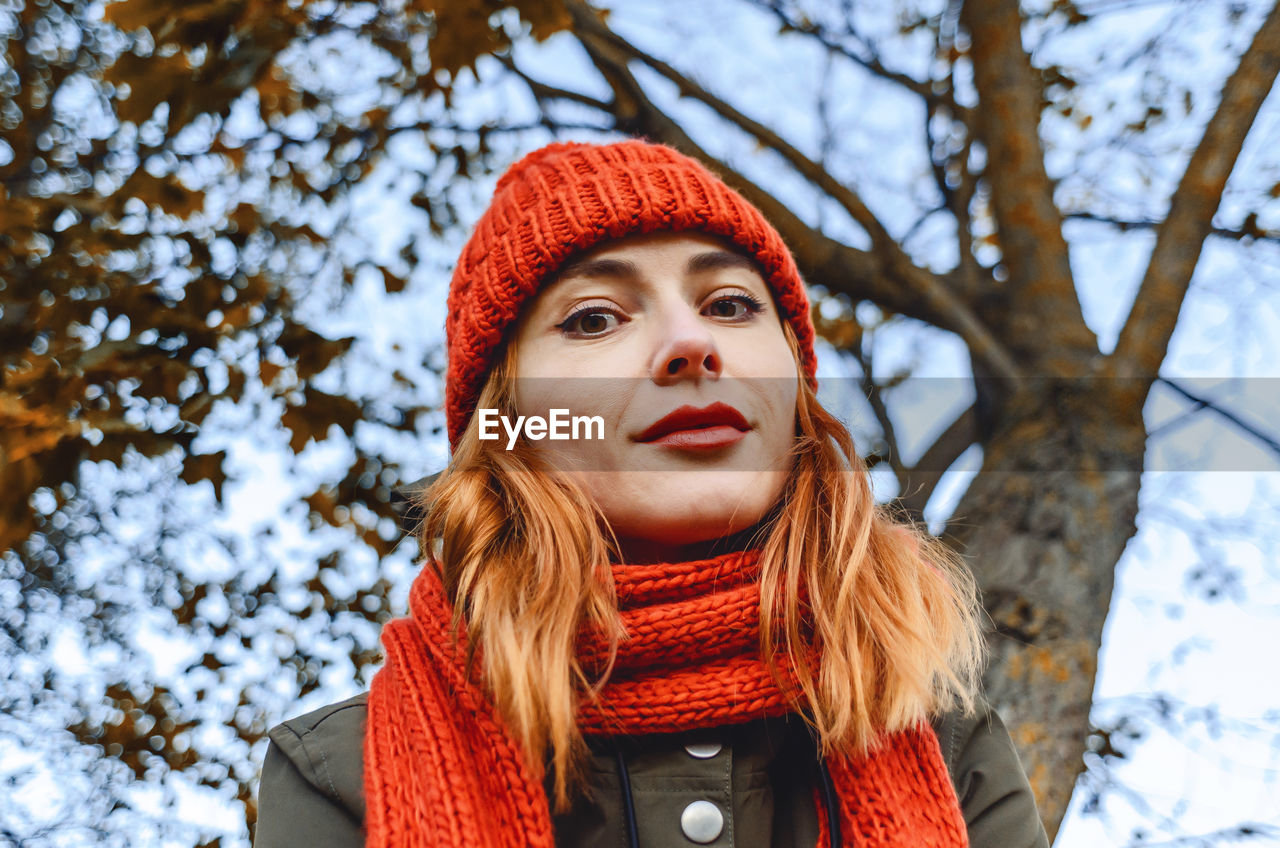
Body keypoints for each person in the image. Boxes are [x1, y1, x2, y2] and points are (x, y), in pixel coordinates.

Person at [252, 138, 1050, 848]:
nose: (690, 343)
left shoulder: (950, 749)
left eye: (730, 305)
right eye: (595, 318)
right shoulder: (338, 775)